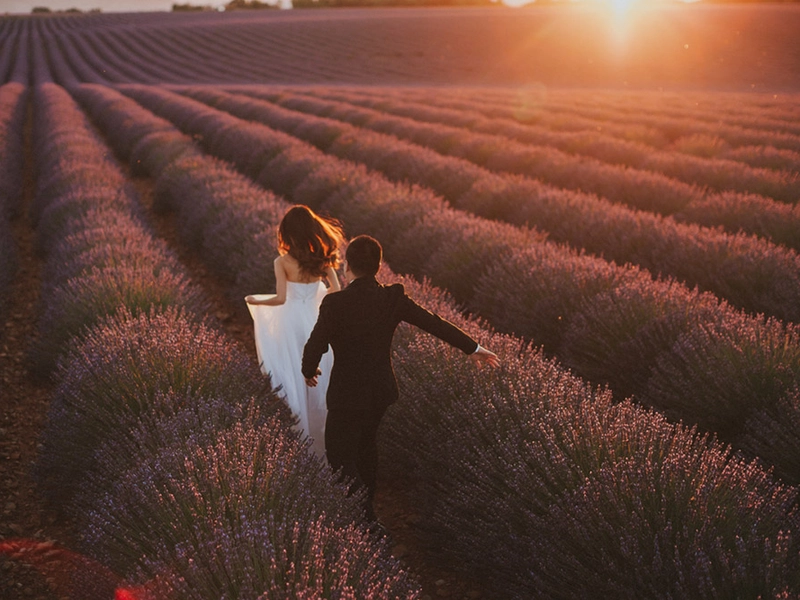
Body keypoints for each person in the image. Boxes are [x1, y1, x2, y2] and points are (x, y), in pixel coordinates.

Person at [302, 234, 500, 523]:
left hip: (346, 394)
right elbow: (433, 322)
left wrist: (309, 370)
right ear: (379, 266)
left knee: (340, 457)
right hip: (380, 392)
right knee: (366, 448)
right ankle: (366, 510)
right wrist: (473, 348)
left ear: (347, 266)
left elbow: (315, 343)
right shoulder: (392, 298)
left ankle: (364, 519)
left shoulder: (336, 304)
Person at [246, 205, 344, 457]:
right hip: (314, 320)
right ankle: (326, 442)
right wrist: (316, 296)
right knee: (320, 376)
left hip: (290, 324)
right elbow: (336, 292)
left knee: (292, 372)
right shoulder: (322, 260)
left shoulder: (282, 262)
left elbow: (280, 299)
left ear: (287, 233)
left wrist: (255, 301)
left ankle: (301, 442)